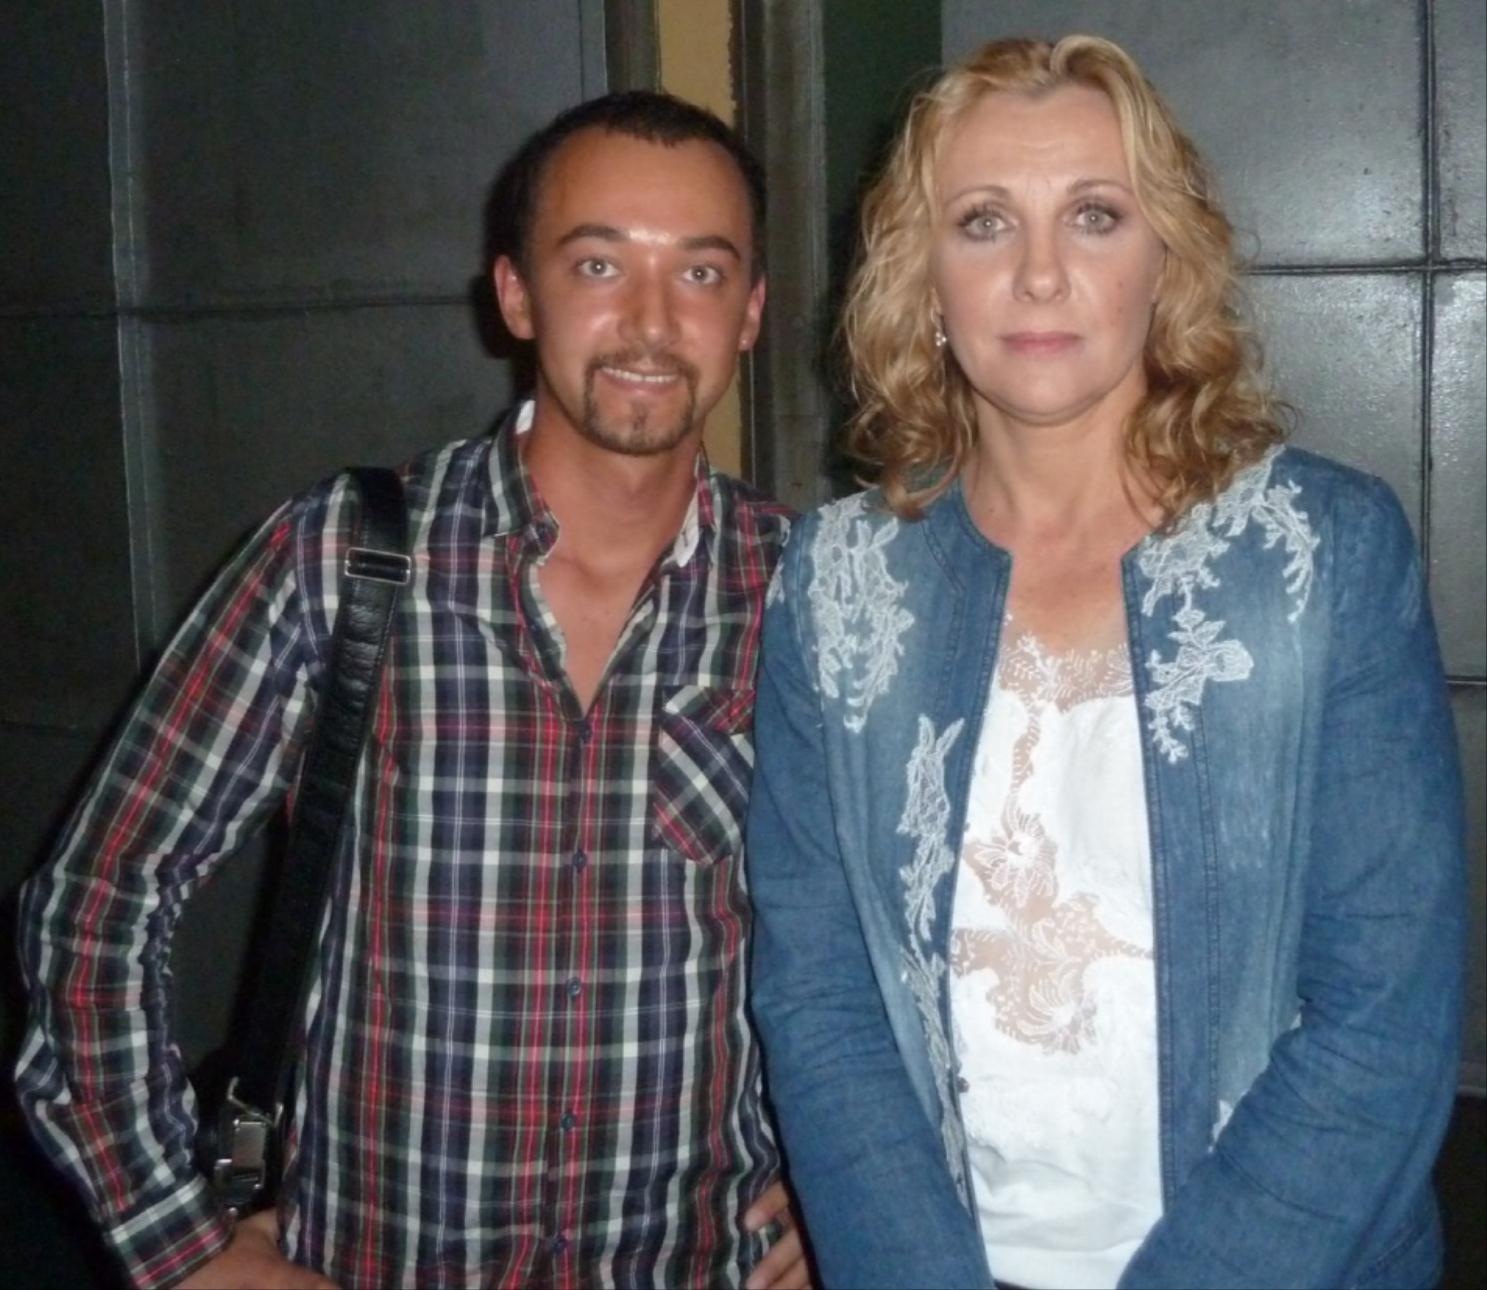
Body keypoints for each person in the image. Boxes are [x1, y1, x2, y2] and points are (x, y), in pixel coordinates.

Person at [16, 91, 810, 1290]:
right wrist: (176, 1245)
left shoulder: (806, 594)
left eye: (699, 273)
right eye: (597, 263)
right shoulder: (346, 559)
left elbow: (916, 942)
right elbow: (100, 896)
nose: (650, 321)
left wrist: (850, 1169)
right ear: (515, 294)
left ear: (748, 310)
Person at [746, 34, 1464, 1290]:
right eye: (982, 222)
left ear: (1163, 262)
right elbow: (819, 1001)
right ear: (922, 278)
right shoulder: (835, 581)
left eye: (1092, 215)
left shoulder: (1326, 554)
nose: (1037, 273)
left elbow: (1382, 1019)